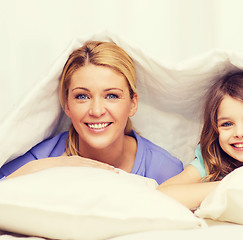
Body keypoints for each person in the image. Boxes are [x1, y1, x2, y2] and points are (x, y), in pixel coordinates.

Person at [0, 41, 183, 184]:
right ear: (67, 105)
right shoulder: (44, 156)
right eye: (82, 96)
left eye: (111, 96)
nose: (96, 111)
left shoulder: (164, 169)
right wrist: (55, 165)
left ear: (133, 103)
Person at [157, 71, 243, 209]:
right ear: (215, 130)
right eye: (227, 124)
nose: (239, 133)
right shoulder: (211, 161)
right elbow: (162, 194)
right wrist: (234, 184)